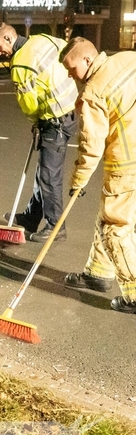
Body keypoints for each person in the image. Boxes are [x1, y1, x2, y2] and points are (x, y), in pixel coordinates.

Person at [59, 37, 136, 314]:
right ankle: (98, 274)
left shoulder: (93, 92)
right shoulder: (128, 59)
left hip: (126, 165)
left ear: (87, 60)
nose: (70, 75)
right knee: (110, 218)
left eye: (71, 69)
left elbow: (91, 146)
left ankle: (134, 294)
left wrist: (77, 182)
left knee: (114, 228)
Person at [0, 23, 78, 242]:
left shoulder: (20, 63)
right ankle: (30, 217)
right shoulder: (43, 39)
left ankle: (56, 226)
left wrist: (36, 121)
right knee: (44, 171)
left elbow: (29, 104)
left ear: (8, 39)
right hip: (70, 110)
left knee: (49, 175)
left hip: (53, 119)